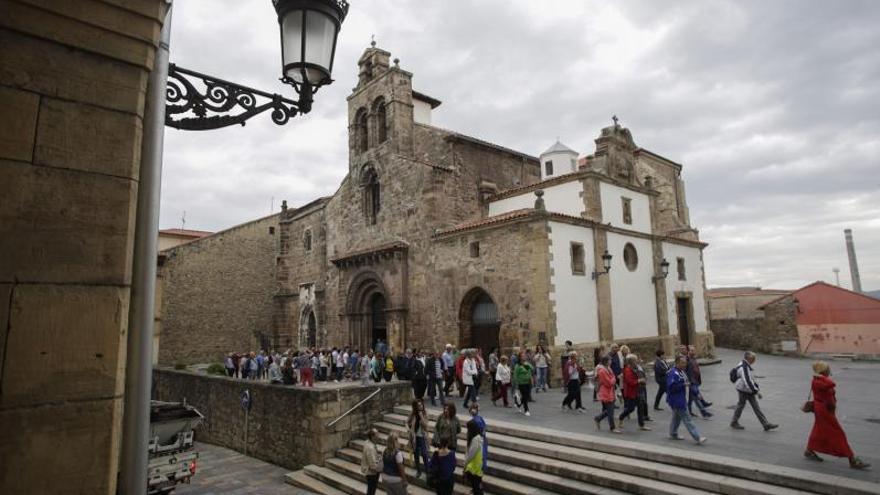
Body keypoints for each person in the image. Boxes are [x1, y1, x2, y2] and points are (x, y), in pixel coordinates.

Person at [804, 361, 869, 469]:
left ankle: (809, 450)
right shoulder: (818, 381)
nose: (829, 370)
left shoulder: (819, 380)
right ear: (822, 371)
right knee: (838, 433)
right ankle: (852, 459)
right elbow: (832, 384)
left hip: (826, 410)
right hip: (823, 411)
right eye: (827, 369)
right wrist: (822, 376)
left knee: (818, 430)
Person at [730, 351, 778, 431]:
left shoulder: (744, 364)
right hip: (744, 390)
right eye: (753, 359)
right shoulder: (744, 367)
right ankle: (734, 422)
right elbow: (747, 381)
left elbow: (750, 378)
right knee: (746, 406)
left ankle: (765, 424)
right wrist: (756, 391)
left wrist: (755, 389)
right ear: (749, 358)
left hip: (745, 389)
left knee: (745, 406)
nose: (754, 360)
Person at [667, 355, 706, 444]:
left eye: (685, 362)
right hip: (677, 400)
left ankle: (673, 433)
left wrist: (696, 393)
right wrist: (683, 385)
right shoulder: (673, 373)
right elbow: (671, 387)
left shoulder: (681, 371)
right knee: (687, 419)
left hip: (681, 398)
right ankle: (698, 437)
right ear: (677, 363)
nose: (685, 364)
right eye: (682, 363)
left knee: (676, 418)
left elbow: (687, 382)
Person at [618, 354, 650, 430]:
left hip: (639, 391)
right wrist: (639, 380)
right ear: (631, 362)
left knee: (640, 408)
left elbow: (641, 375)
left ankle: (641, 425)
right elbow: (630, 382)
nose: (637, 361)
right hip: (631, 392)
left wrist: (643, 379)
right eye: (635, 360)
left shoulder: (636, 368)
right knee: (631, 408)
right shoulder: (627, 370)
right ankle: (621, 417)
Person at [594, 355, 620, 432]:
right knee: (610, 411)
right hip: (606, 392)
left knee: (610, 410)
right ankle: (612, 428)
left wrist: (613, 379)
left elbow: (613, 377)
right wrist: (614, 379)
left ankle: (598, 418)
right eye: (610, 360)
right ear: (606, 361)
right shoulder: (602, 371)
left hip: (610, 392)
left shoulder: (608, 368)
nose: (611, 361)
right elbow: (608, 383)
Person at [408, 400, 430, 478]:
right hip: (415, 437)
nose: (421, 406)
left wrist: (421, 416)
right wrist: (410, 427)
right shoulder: (413, 414)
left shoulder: (424, 413)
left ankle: (427, 471)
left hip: (422, 437)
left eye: (421, 405)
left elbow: (426, 425)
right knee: (416, 454)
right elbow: (407, 422)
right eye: (419, 405)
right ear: (415, 407)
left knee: (424, 454)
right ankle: (418, 471)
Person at [464, 419, 484, 495]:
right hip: (476, 466)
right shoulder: (477, 438)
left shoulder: (476, 439)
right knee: (477, 487)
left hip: (474, 467)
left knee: (477, 488)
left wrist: (465, 464)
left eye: (468, 428)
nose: (467, 431)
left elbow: (471, 455)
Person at [361, 428, 382, 495]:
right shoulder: (370, 448)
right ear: (372, 437)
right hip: (371, 473)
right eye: (377, 434)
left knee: (370, 490)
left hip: (369, 471)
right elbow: (373, 466)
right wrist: (381, 465)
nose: (378, 436)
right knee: (371, 490)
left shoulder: (368, 442)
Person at [513, 351, 535, 416]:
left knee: (527, 396)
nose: (524, 357)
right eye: (522, 356)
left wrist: (532, 379)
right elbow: (515, 375)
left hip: (528, 382)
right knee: (525, 396)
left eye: (524, 356)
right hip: (521, 383)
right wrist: (516, 384)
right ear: (519, 357)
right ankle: (526, 410)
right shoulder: (517, 365)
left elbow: (531, 370)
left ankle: (518, 404)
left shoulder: (527, 364)